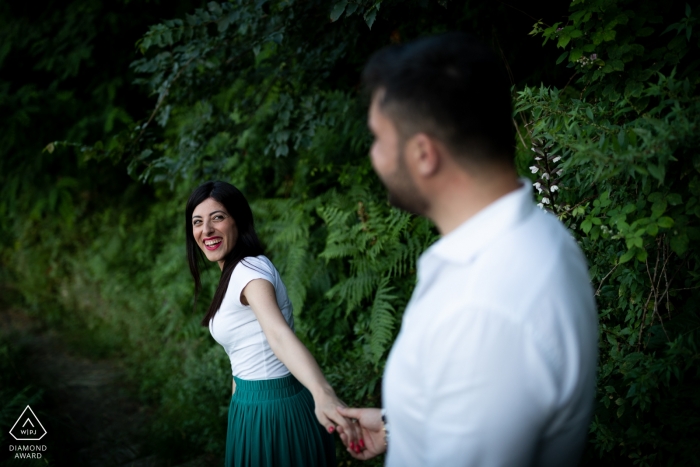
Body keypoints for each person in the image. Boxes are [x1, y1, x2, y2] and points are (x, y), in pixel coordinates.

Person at [335, 33, 598, 466]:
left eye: (379, 139)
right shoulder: (540, 235)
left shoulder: (483, 310)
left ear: (423, 154)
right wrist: (402, 425)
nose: (374, 155)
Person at [185, 181, 361, 467]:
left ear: (238, 221)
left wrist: (323, 393)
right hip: (249, 407)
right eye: (197, 222)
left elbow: (277, 334)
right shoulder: (234, 272)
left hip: (275, 410)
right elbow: (241, 354)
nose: (206, 230)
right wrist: (237, 412)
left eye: (217, 217)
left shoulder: (249, 270)